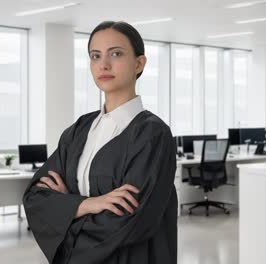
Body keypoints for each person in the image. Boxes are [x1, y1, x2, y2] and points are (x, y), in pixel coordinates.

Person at [23, 20, 177, 264]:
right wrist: (86, 204)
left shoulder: (153, 135)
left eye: (115, 53)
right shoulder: (78, 131)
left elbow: (130, 222)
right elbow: (35, 198)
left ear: (139, 63)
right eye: (95, 56)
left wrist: (66, 208)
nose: (103, 64)